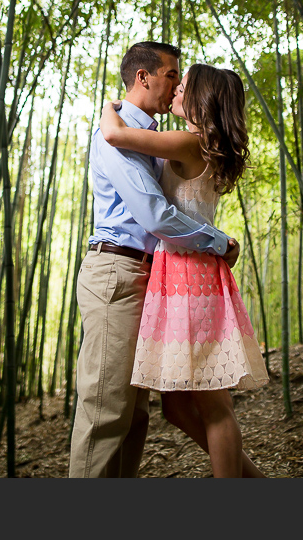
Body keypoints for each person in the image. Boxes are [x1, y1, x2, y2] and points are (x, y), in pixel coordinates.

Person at [68, 41, 241, 479]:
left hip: (159, 276)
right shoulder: (123, 131)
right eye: (171, 76)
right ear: (144, 77)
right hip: (119, 272)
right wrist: (218, 242)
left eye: (183, 81)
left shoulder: (160, 137)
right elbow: (154, 213)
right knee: (107, 411)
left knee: (133, 415)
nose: (176, 86)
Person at [100, 62, 269, 478]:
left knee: (214, 403)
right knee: (176, 406)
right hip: (179, 276)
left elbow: (114, 135)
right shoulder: (201, 143)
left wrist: (109, 105)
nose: (175, 90)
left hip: (190, 276)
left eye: (185, 85)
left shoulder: (188, 141)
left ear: (202, 99)